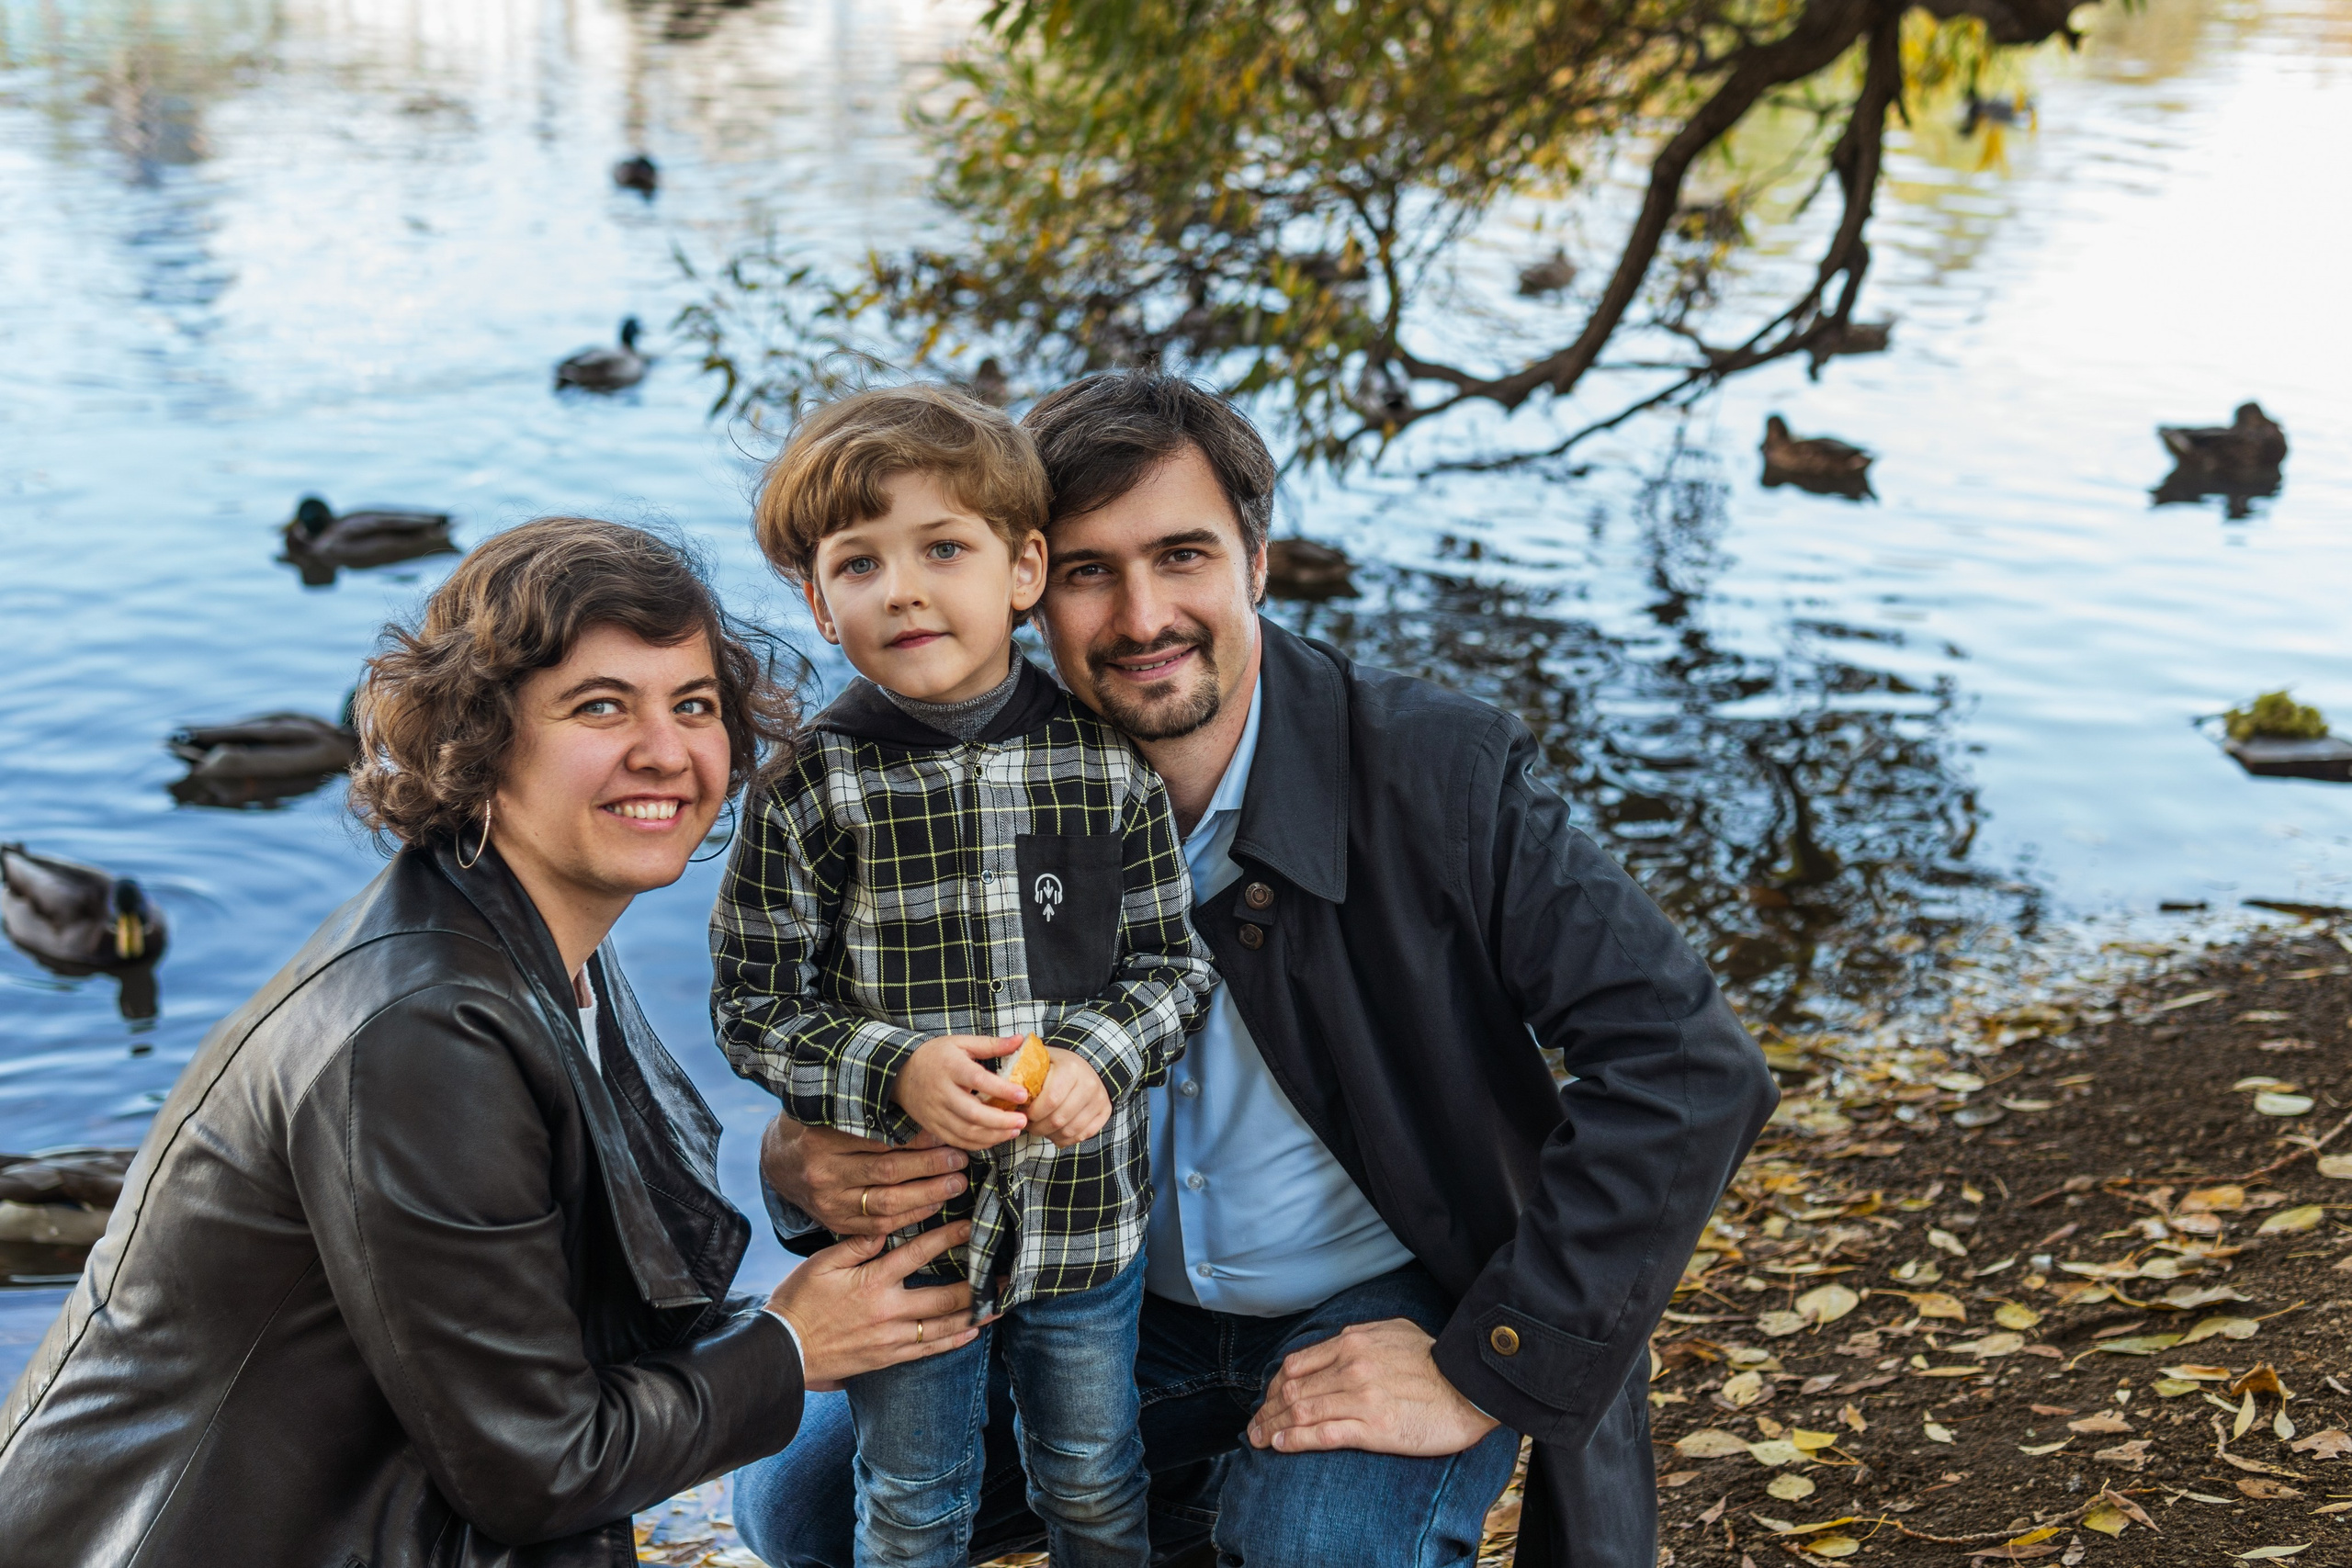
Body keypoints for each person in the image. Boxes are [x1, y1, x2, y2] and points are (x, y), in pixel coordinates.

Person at [733, 373, 1780, 1568]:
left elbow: (1689, 1066)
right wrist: (793, 1156)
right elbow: (835, 1010)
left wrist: (1493, 1358)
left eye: (1183, 554)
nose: (1142, 615)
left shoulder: (1438, 766)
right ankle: (1197, 1499)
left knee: (1312, 1548)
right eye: (1089, 570)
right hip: (1105, 1296)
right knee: (796, 1500)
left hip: (1379, 1289)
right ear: (1026, 586)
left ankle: (1272, 1502)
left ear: (1258, 561)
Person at [0, 519, 983, 1568]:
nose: (666, 748)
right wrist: (788, 1347)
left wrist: (796, 1206)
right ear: (479, 740)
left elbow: (557, 1323)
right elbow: (539, 1470)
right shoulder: (422, 1032)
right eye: (600, 706)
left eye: (693, 705)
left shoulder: (534, 938)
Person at [712, 385, 1217, 1568]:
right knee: (912, 1501)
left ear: (1023, 567)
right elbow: (752, 1006)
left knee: (1093, 1481)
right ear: (816, 601)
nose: (904, 588)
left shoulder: (1103, 763)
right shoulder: (810, 788)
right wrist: (895, 1068)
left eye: (943, 548)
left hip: (1084, 1222)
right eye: (859, 563)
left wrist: (1097, 1056)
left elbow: (1169, 965)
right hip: (914, 1244)